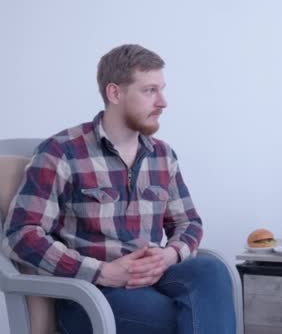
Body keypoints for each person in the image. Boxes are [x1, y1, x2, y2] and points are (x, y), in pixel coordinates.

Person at [1, 44, 236, 334]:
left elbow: (188, 223)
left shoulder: (162, 155)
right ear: (115, 93)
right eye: (150, 90)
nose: (163, 102)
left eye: (162, 89)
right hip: (90, 292)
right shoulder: (60, 152)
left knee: (211, 272)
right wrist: (103, 272)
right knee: (183, 316)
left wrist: (169, 255)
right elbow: (21, 236)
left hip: (154, 276)